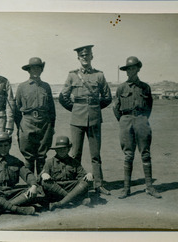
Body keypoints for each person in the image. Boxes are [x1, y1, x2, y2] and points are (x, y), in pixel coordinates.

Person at [59, 45, 112, 196]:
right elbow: (63, 97)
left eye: (87, 55)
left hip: (94, 119)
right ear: (78, 58)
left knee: (95, 154)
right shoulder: (72, 76)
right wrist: (75, 108)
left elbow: (107, 97)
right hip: (77, 118)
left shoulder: (99, 75)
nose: (85, 58)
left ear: (91, 57)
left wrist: (94, 108)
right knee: (75, 153)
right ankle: (75, 184)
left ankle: (98, 184)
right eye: (82, 56)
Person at [113, 56, 161, 199]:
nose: (129, 71)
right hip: (125, 120)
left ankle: (149, 187)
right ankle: (126, 189)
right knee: (128, 154)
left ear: (138, 69)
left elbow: (149, 106)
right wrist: (123, 120)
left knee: (145, 153)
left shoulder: (145, 87)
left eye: (132, 68)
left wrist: (143, 119)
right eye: (127, 69)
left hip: (141, 119)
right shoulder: (121, 88)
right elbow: (115, 107)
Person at [0, 132, 40, 216]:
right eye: (1, 146)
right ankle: (17, 209)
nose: (3, 148)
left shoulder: (16, 161)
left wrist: (33, 185)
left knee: (32, 192)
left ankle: (0, 208)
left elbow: (27, 174)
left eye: (6, 145)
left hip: (13, 192)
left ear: (10, 146)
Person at [15, 57, 56, 176]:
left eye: (38, 68)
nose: (36, 70)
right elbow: (17, 109)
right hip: (27, 122)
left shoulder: (46, 86)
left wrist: (51, 126)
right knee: (28, 156)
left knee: (42, 155)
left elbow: (52, 109)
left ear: (41, 70)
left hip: (44, 123)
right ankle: (31, 185)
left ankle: (42, 184)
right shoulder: (22, 87)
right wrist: (20, 127)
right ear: (29, 70)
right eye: (33, 68)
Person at [40, 136, 94, 211]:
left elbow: (81, 175)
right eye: (59, 149)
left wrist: (88, 175)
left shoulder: (74, 162)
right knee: (45, 182)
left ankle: (59, 204)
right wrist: (44, 174)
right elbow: (40, 178)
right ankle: (74, 200)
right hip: (56, 189)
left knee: (86, 182)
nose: (62, 150)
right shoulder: (49, 162)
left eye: (64, 148)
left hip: (71, 187)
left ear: (68, 149)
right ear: (55, 150)